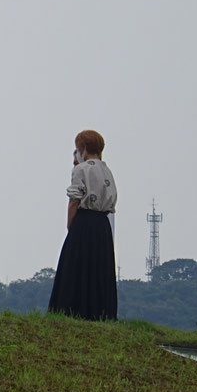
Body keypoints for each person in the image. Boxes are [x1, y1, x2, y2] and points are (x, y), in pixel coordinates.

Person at [48, 129, 118, 320]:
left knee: (75, 266)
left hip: (84, 221)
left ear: (83, 148)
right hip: (102, 225)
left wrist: (71, 226)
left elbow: (74, 200)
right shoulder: (107, 170)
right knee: (99, 269)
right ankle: (100, 313)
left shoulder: (81, 169)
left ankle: (70, 310)